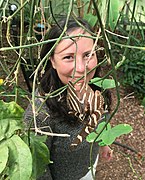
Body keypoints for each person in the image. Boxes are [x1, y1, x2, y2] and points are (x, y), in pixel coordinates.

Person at [24, 16, 113, 180]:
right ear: (52, 61)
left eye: (88, 55)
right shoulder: (40, 113)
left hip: (89, 169)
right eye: (68, 57)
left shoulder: (100, 87)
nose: (81, 69)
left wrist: (103, 143)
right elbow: (38, 170)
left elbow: (102, 119)